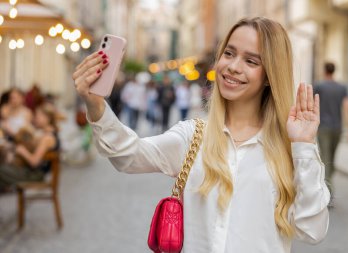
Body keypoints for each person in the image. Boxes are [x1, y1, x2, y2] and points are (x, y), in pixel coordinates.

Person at [72, 17, 330, 253]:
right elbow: (128, 155)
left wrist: (304, 145)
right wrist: (96, 104)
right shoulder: (193, 136)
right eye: (229, 53)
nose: (233, 67)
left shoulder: (292, 148)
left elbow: (312, 230)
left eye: (251, 61)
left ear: (269, 75)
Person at [313, 62, 348, 196]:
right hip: (337, 128)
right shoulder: (341, 88)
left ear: (325, 71)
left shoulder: (319, 86)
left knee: (326, 159)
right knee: (330, 158)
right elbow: (347, 107)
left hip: (324, 128)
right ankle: (328, 188)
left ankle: (327, 191)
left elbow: (313, 105)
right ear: (334, 71)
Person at [0, 103, 60, 191]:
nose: (35, 119)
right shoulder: (46, 133)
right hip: (34, 172)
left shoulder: (47, 138)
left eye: (38, 117)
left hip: (36, 175)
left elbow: (34, 162)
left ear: (47, 118)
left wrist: (22, 151)